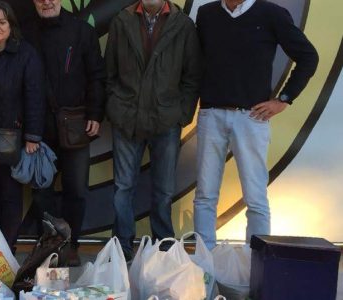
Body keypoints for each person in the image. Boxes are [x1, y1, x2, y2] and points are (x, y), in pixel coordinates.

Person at [194, 0, 318, 249]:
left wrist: (284, 99)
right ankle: (203, 264)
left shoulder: (272, 14)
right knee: (204, 196)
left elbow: (308, 57)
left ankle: (259, 264)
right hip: (211, 114)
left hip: (251, 117)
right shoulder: (206, 13)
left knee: (255, 198)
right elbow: (196, 61)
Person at [105, 0, 202, 259]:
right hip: (127, 118)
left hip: (165, 119)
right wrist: (115, 108)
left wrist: (181, 115)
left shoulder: (184, 25)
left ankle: (164, 246)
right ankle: (122, 245)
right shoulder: (120, 20)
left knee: (164, 189)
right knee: (123, 187)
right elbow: (109, 72)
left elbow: (192, 77)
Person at [23, 0, 106, 266]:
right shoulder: (24, 31)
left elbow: (96, 75)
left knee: (76, 191)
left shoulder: (82, 30)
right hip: (37, 127)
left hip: (76, 125)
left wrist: (95, 113)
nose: (46, 1)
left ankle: (71, 246)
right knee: (41, 192)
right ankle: (47, 247)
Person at [0, 1, 45, 251]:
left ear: (11, 24)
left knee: (10, 195)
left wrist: (32, 136)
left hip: (11, 137)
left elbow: (35, 96)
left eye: (2, 22)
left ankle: (8, 249)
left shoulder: (25, 54)